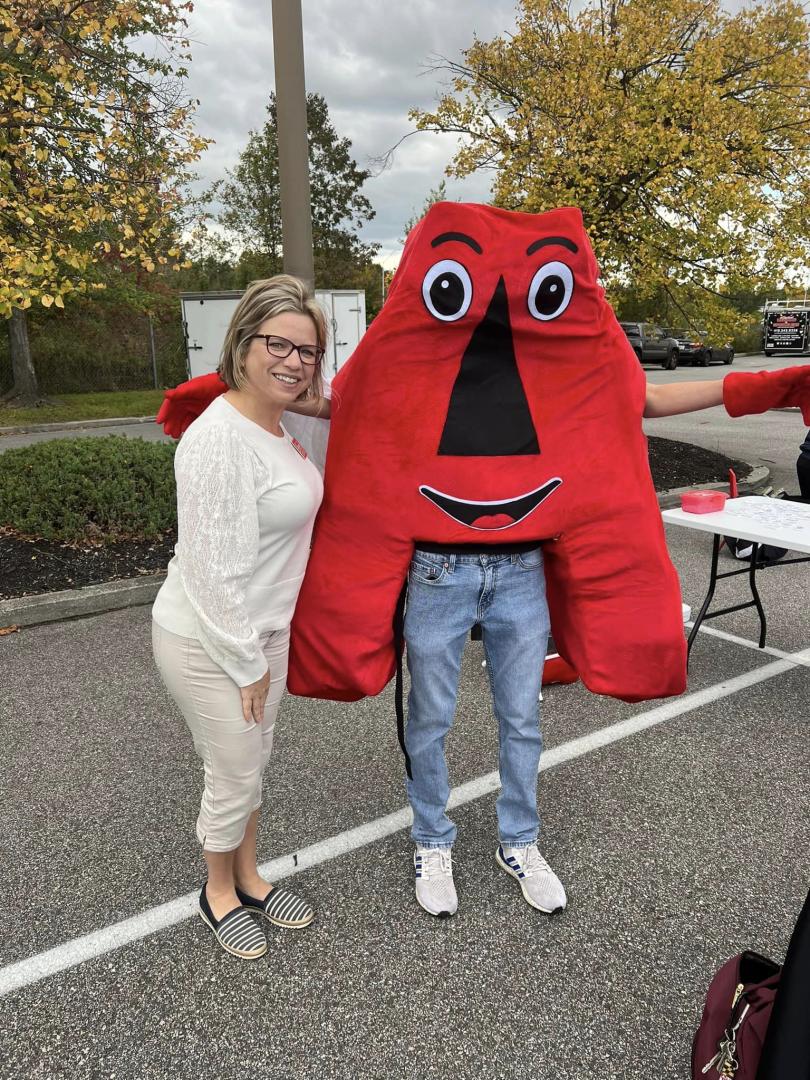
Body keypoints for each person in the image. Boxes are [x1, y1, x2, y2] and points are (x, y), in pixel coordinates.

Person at [151, 276, 326, 959]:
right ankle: (217, 892)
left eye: (307, 350)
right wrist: (247, 664)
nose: (293, 360)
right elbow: (209, 571)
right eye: (277, 343)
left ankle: (250, 875)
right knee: (233, 770)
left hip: (264, 631)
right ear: (242, 345)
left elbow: (347, 408)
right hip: (209, 638)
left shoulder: (282, 426)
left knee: (257, 761)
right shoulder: (218, 438)